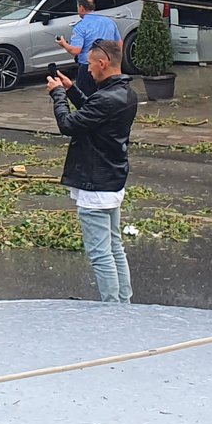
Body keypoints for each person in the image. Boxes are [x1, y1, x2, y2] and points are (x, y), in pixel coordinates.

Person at [47, 39, 135, 305]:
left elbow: (69, 124)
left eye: (89, 65)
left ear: (102, 63)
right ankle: (124, 303)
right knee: (115, 246)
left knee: (100, 253)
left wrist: (58, 95)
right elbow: (93, 112)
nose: (87, 71)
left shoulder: (107, 99)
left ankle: (111, 308)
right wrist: (72, 90)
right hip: (112, 179)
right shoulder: (124, 92)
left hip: (95, 184)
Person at [57, 0, 121, 96]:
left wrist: (64, 44)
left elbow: (75, 51)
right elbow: (119, 44)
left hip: (89, 67)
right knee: (110, 96)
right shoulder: (108, 21)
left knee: (86, 98)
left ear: (81, 8)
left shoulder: (81, 26)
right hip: (108, 65)